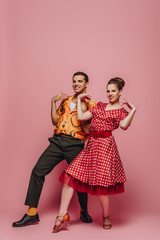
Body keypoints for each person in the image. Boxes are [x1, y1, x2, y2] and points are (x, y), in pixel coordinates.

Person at [52, 77, 136, 233]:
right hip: (91, 145)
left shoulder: (120, 111)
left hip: (105, 148)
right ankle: (61, 215)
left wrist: (134, 110)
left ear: (119, 92)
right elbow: (81, 117)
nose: (110, 94)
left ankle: (106, 216)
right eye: (108, 91)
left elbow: (124, 126)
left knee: (101, 186)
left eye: (113, 91)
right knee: (70, 176)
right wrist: (79, 100)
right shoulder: (100, 106)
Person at [12, 72, 96, 227]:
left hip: (75, 144)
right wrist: (52, 102)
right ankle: (32, 213)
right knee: (38, 171)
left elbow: (88, 129)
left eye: (80, 81)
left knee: (79, 179)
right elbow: (54, 121)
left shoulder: (90, 103)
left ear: (86, 84)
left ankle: (84, 210)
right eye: (74, 81)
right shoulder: (65, 100)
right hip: (57, 141)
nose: (76, 84)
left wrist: (83, 109)